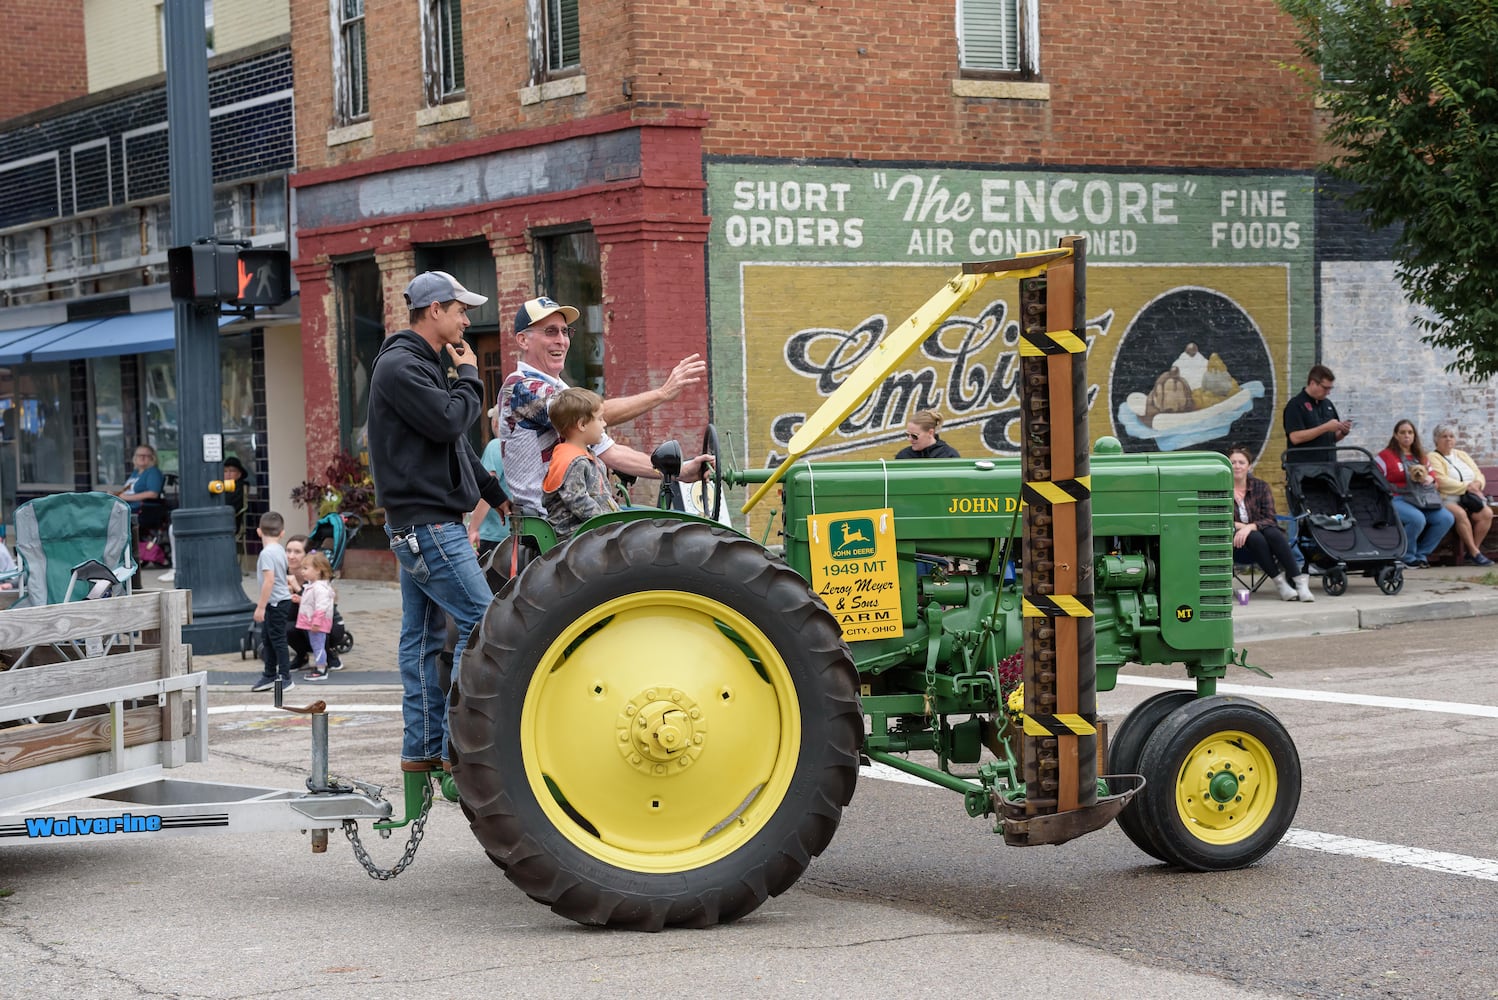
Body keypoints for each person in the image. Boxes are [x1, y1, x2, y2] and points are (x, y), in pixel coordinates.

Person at [366, 270, 509, 772]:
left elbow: (449, 444)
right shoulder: (403, 366)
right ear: (435, 310)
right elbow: (452, 422)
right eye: (461, 310)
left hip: (423, 523)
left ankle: (424, 750)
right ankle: (455, 748)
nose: (467, 320)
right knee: (486, 623)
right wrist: (471, 376)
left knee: (423, 638)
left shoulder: (419, 363)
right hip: (428, 525)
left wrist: (494, 493)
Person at [499, 296, 711, 515]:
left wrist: (680, 471)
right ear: (523, 340)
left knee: (665, 523)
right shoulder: (521, 387)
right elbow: (593, 414)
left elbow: (612, 453)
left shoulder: (559, 389)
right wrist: (663, 393)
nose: (561, 340)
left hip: (582, 512)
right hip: (559, 520)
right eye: (551, 332)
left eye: (565, 331)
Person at [1228, 445, 1310, 602]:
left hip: (1266, 542)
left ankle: (1300, 583)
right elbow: (1220, 518)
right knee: (1255, 537)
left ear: (1249, 466)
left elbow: (1270, 518)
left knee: (1273, 532)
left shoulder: (1261, 487)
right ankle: (1280, 583)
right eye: (1233, 462)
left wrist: (1250, 527)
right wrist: (1241, 528)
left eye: (1241, 462)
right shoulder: (1220, 489)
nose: (1237, 466)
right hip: (1236, 545)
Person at [1375, 419, 1456, 568]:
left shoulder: (1422, 456)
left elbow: (1435, 482)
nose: (1407, 436)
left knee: (1446, 518)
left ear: (1414, 436)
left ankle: (1422, 554)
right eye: (1402, 432)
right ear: (1395, 435)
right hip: (1397, 498)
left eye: (1410, 432)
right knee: (1417, 519)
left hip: (1422, 499)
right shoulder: (1385, 456)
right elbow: (1374, 480)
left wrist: (1431, 479)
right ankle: (1407, 555)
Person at [543, 388, 622, 539]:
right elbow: (577, 500)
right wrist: (608, 523)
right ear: (582, 425)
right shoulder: (572, 461)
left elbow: (603, 496)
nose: (604, 424)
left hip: (591, 530)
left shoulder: (587, 457)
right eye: (599, 419)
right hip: (575, 534)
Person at [1429, 423, 1494, 566]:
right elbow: (1442, 481)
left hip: (1469, 499)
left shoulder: (1461, 454)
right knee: (1460, 514)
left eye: (1451, 436)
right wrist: (1468, 487)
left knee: (1487, 513)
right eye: (1444, 436)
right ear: (1436, 439)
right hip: (1447, 498)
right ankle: (1475, 552)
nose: (1448, 440)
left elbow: (1478, 474)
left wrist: (1477, 484)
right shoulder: (1433, 457)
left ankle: (1472, 551)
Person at [249, 511, 294, 693]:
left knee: (277, 640)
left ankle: (285, 676)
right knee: (268, 638)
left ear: (259, 532)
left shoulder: (266, 554)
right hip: (280, 601)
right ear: (282, 533)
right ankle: (269, 674)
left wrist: (260, 607)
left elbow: (269, 581)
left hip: (275, 602)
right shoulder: (280, 550)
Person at [1282, 365, 1351, 465]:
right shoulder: (1295, 405)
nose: (1328, 392)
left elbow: (1331, 438)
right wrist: (1325, 427)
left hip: (1329, 466)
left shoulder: (1328, 404)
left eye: (1330, 388)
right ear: (1313, 383)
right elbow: (1295, 438)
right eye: (1325, 388)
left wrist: (1343, 432)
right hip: (1305, 469)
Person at [467, 406, 511, 558]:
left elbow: (488, 489)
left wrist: (473, 528)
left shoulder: (495, 446)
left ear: (495, 423)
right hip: (515, 535)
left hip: (493, 536)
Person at [295, 551, 337, 681]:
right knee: (316, 644)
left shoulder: (318, 588)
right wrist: (300, 600)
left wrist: (316, 622)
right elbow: (312, 604)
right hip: (312, 622)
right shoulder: (314, 587)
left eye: (306, 568)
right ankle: (320, 666)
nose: (303, 571)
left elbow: (321, 607)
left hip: (315, 623)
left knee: (318, 645)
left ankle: (321, 669)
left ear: (318, 570)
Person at [115, 444, 165, 513]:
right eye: (139, 455)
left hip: (139, 508)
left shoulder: (153, 472)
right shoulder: (136, 472)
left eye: (145, 456)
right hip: (124, 505)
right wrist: (116, 494)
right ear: (135, 458)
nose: (142, 458)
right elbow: (127, 491)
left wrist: (126, 497)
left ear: (152, 458)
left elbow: (153, 494)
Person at [896, 410, 960, 459]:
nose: (910, 439)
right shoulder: (903, 456)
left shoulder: (949, 456)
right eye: (907, 434)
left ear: (930, 433)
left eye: (914, 436)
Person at [221, 455, 250, 533]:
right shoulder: (219, 486)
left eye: (232, 471)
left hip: (229, 523)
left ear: (239, 474)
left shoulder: (239, 487)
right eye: (225, 471)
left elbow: (230, 505)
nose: (228, 474)